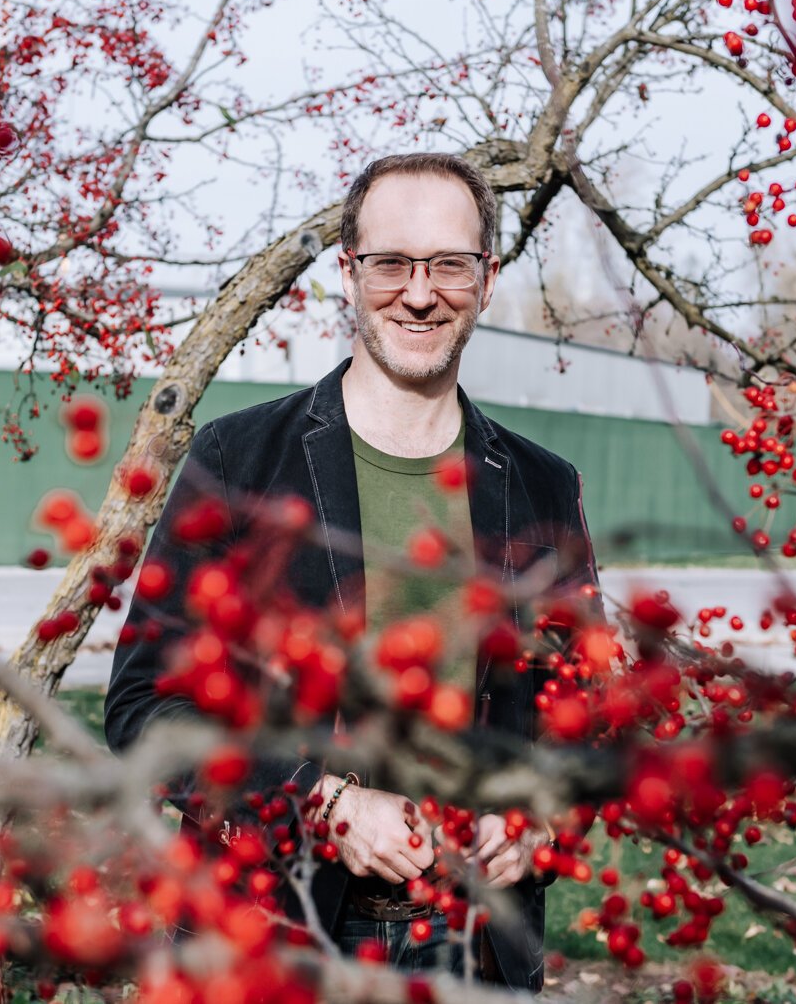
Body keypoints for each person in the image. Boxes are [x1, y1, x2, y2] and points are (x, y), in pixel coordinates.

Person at [104, 153, 597, 990]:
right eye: (390, 263)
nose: (418, 291)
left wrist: (539, 822)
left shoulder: (543, 485)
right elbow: (146, 708)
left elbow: (582, 715)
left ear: (486, 276)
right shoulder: (238, 459)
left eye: (448, 263)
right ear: (347, 272)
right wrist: (317, 801)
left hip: (474, 950)